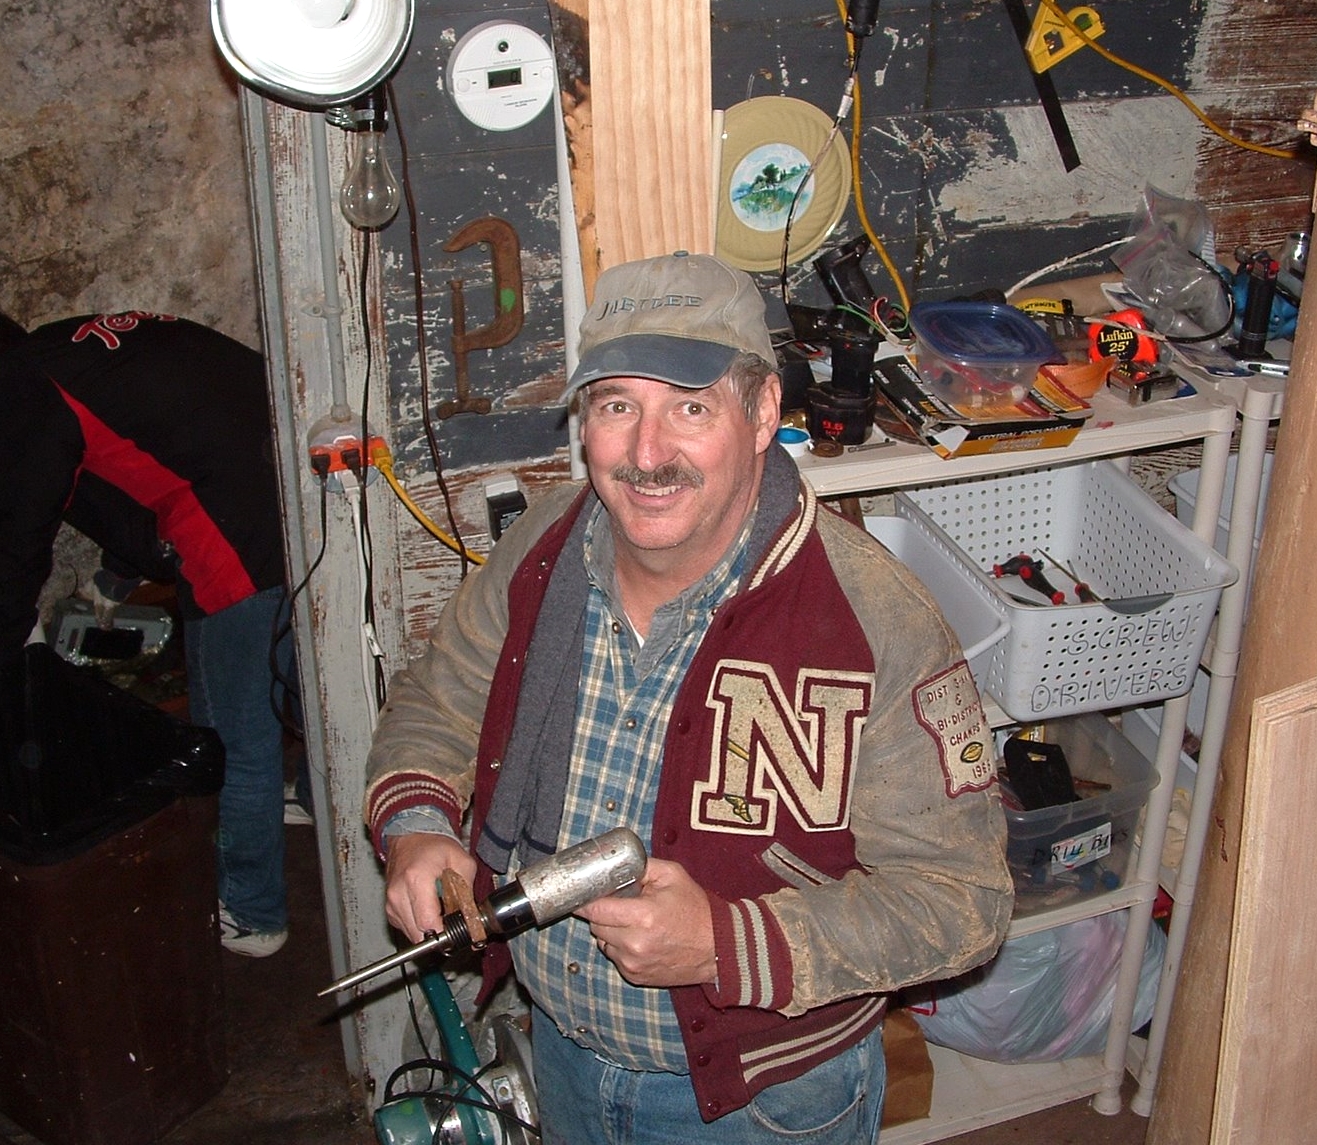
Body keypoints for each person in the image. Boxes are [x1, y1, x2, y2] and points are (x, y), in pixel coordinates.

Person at [363, 252, 1013, 1141]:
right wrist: (418, 829)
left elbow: (962, 902)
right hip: (559, 1061)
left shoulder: (874, 624)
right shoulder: (540, 558)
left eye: (691, 407)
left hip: (765, 1106)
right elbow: (437, 703)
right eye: (616, 406)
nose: (646, 454)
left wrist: (725, 943)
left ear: (760, 415)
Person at [0, 309, 297, 957]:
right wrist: (113, 579)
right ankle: (281, 800)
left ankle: (254, 911)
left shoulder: (22, 392)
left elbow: (21, 538)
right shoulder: (67, 358)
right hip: (290, 466)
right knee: (276, 670)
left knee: (228, 731)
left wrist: (15, 654)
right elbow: (136, 457)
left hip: (226, 516)